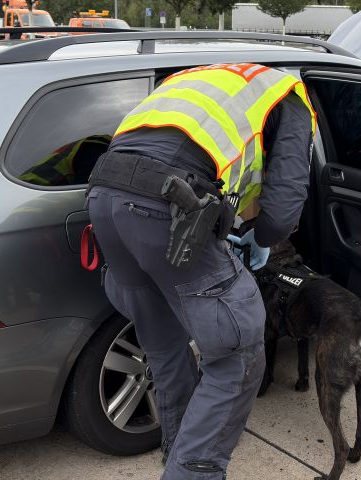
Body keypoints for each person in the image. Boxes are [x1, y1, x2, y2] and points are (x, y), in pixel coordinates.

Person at [85, 63, 315, 480]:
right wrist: (263, 236)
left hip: (103, 198)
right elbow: (283, 209)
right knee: (237, 354)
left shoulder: (198, 80)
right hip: (166, 204)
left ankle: (177, 458)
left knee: (165, 349)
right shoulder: (290, 96)